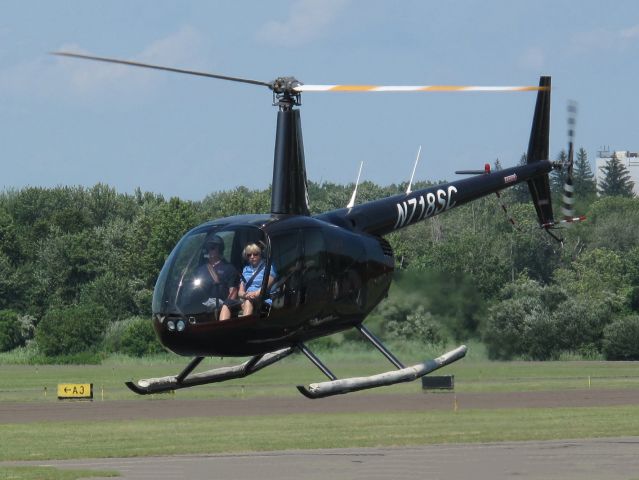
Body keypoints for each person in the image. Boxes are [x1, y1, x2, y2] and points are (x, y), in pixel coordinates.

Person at [196, 235, 239, 321]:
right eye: (208, 248)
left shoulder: (229, 268)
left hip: (219, 306)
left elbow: (233, 292)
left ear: (220, 249)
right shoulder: (200, 269)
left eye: (212, 247)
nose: (210, 250)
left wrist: (225, 307)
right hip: (200, 307)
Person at [238, 243, 277, 317]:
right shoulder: (245, 269)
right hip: (247, 298)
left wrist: (254, 294)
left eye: (255, 254)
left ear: (260, 254)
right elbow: (240, 292)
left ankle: (245, 326)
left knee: (248, 302)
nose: (252, 257)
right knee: (227, 304)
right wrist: (246, 295)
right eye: (249, 255)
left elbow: (266, 287)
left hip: (263, 299)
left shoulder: (269, 266)